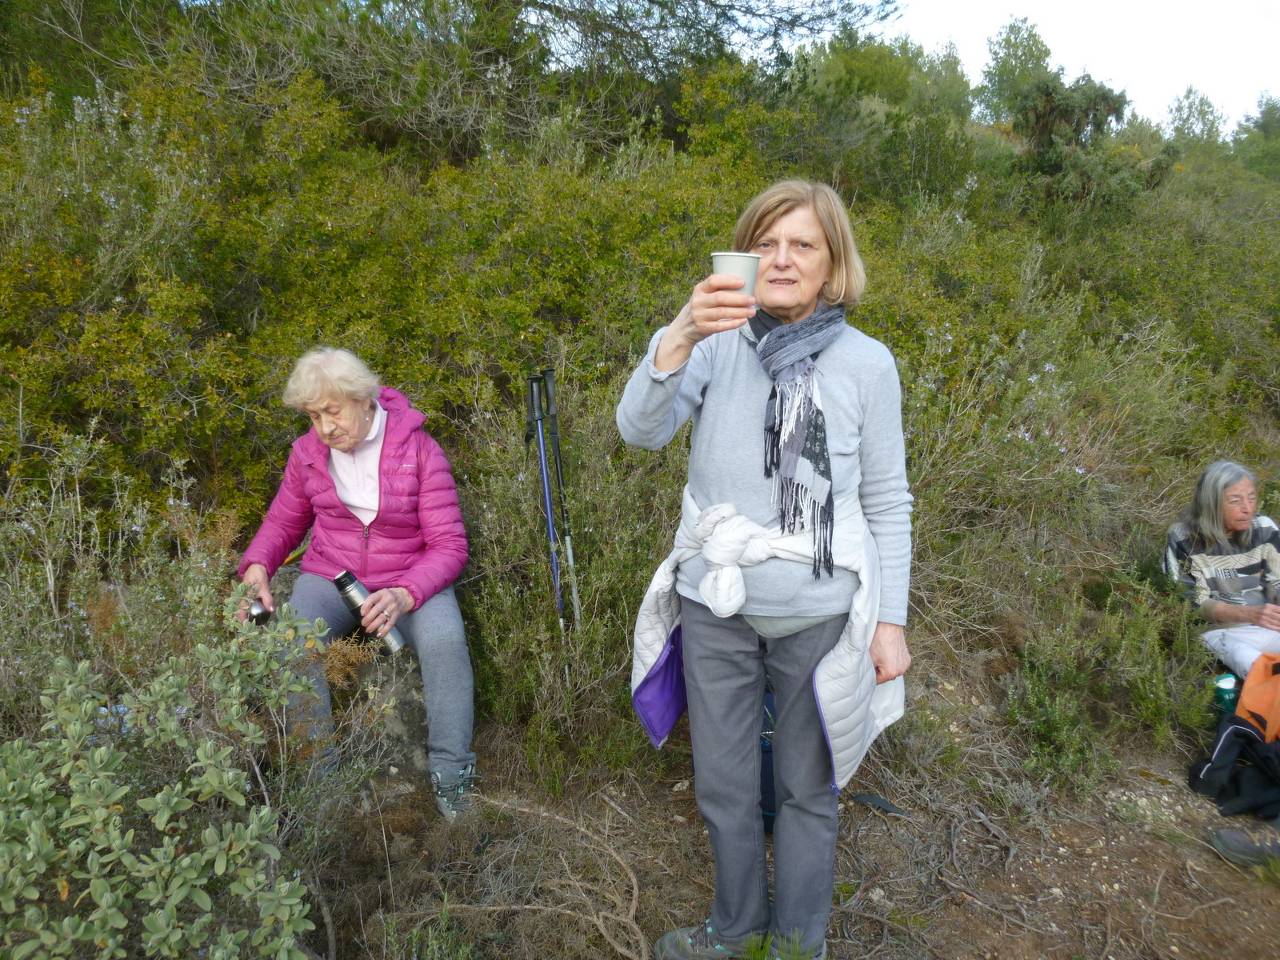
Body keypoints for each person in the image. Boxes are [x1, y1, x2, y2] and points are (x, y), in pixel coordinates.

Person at [618, 180, 913, 960]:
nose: (782, 259)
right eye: (767, 243)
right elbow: (640, 431)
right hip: (719, 601)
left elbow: (887, 500)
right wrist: (678, 331)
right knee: (723, 784)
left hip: (820, 611)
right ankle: (737, 929)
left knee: (807, 790)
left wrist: (891, 622)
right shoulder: (717, 340)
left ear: (832, 263)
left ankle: (797, 944)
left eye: (803, 245)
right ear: (744, 256)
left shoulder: (867, 364)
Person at [238, 347, 476, 819]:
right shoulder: (307, 454)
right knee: (294, 644)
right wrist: (258, 564)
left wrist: (405, 593)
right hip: (332, 573)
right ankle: (319, 786)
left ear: (365, 400)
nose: (325, 428)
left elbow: (449, 545)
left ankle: (452, 777)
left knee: (446, 643)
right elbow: (284, 522)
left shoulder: (419, 450)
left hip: (412, 576)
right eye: (313, 416)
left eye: (333, 411)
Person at [1165, 460, 1280, 678]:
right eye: (1235, 500)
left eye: (1252, 497)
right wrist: (1248, 614)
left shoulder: (1264, 528)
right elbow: (1190, 602)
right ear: (1211, 503)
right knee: (1253, 663)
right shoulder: (1183, 538)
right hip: (1223, 631)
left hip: (1270, 625)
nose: (1248, 508)